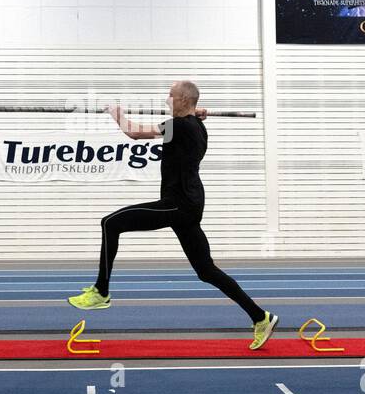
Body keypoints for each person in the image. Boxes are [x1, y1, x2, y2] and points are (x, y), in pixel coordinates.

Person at [67, 80, 280, 349]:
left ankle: (101, 291)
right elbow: (185, 122)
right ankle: (260, 317)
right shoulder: (196, 127)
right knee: (206, 270)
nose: (167, 100)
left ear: (183, 100)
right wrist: (194, 113)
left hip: (177, 204)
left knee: (110, 223)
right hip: (189, 205)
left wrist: (116, 113)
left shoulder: (179, 126)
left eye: (171, 95)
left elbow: (133, 133)